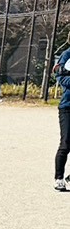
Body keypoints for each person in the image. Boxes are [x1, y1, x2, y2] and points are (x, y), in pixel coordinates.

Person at [51, 46, 70, 191]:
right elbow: (61, 77)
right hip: (67, 107)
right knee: (66, 143)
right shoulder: (67, 54)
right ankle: (59, 178)